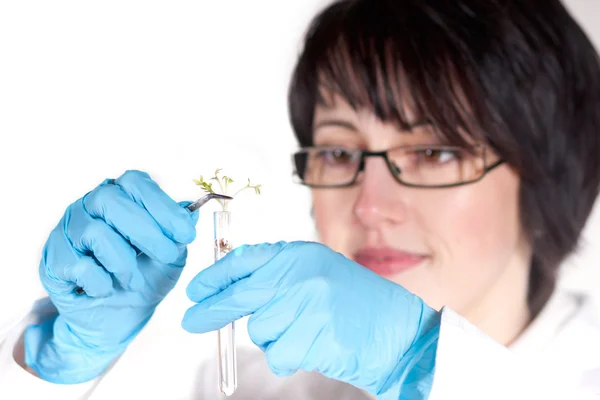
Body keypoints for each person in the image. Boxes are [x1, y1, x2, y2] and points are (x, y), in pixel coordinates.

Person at [1, 0, 600, 398]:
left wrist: (421, 364)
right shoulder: (253, 386)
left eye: (435, 153)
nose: (369, 207)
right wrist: (57, 370)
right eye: (340, 153)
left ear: (551, 178)